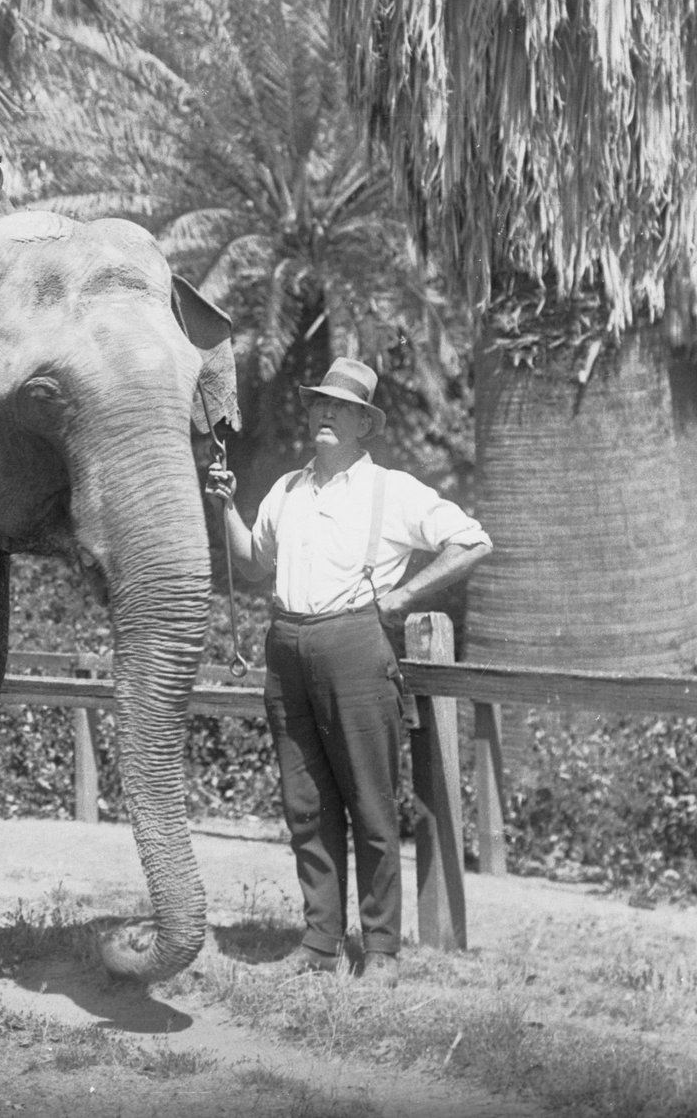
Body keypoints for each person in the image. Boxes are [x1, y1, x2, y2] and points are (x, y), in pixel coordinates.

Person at [209, 358, 492, 989]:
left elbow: (472, 540)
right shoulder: (286, 489)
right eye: (318, 403)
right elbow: (254, 564)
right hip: (286, 646)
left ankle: (383, 950)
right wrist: (227, 507)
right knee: (305, 805)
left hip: (356, 647)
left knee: (370, 803)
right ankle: (318, 942)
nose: (325, 414)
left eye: (340, 407)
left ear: (365, 423)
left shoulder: (391, 491)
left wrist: (402, 597)